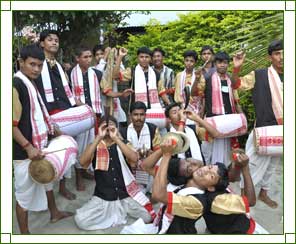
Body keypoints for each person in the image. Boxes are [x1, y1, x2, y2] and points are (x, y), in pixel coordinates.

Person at [13, 44, 73, 234]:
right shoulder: (16, 86)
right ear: (20, 62)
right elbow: (9, 124)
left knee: (47, 180)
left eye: (40, 65)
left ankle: (54, 213)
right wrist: (28, 146)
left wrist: (53, 129)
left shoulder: (30, 82)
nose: (37, 69)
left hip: (39, 146)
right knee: (23, 195)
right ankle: (24, 234)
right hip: (24, 152)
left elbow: (38, 112)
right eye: (32, 64)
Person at [35, 29, 92, 197]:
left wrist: (78, 104)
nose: (54, 42)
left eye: (56, 40)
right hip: (49, 115)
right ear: (42, 44)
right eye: (50, 39)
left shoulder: (59, 66)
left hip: (66, 113)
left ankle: (63, 186)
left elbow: (68, 92)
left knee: (68, 150)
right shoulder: (37, 65)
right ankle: (49, 191)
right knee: (53, 153)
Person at [74, 116, 155, 230]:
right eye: (105, 125)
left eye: (111, 124)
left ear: (116, 128)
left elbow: (134, 158)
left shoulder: (124, 143)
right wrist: (99, 137)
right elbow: (82, 162)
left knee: (147, 216)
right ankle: (114, 217)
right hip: (104, 196)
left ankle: (116, 216)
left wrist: (116, 138)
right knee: (81, 221)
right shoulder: (95, 146)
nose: (108, 127)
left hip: (125, 195)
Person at [231, 40, 283, 208]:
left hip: (284, 129)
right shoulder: (259, 75)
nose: (282, 57)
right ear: (270, 57)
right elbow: (236, 84)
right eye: (277, 53)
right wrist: (237, 68)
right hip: (264, 128)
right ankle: (243, 200)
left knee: (273, 164)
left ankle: (263, 193)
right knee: (252, 164)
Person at [193, 51, 243, 167]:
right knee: (209, 152)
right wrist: (196, 79)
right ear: (215, 64)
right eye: (220, 62)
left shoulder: (230, 77)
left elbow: (236, 87)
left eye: (225, 63)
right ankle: (210, 176)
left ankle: (223, 177)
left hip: (229, 120)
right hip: (213, 120)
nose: (222, 65)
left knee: (227, 153)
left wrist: (236, 68)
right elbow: (194, 93)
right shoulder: (207, 77)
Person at [70, 46, 104, 189]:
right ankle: (78, 176)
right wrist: (80, 105)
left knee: (91, 143)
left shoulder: (95, 73)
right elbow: (69, 94)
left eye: (90, 57)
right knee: (80, 145)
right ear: (78, 58)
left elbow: (104, 90)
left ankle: (84, 171)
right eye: (85, 57)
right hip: (79, 115)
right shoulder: (70, 73)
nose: (88, 60)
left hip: (93, 113)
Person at [114, 46, 170, 130]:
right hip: (136, 112)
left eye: (146, 57)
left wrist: (170, 105)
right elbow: (115, 76)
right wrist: (120, 57)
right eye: (141, 57)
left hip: (153, 112)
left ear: (150, 59)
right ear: (138, 58)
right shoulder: (132, 71)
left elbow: (162, 92)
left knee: (154, 135)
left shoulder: (155, 74)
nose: (144, 59)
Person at [120, 101, 161, 193]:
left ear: (145, 115)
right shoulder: (123, 131)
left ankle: (151, 187)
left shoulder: (152, 129)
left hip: (148, 166)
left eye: (142, 114)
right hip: (130, 168)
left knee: (162, 159)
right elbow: (125, 154)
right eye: (135, 115)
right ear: (130, 115)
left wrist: (150, 153)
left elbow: (158, 150)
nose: (139, 118)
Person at [174, 50, 205, 123]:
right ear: (184, 61)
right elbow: (177, 93)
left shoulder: (200, 77)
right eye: (187, 60)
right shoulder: (179, 75)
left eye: (191, 61)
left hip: (195, 109)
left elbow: (200, 94)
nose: (189, 63)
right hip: (181, 109)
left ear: (195, 63)